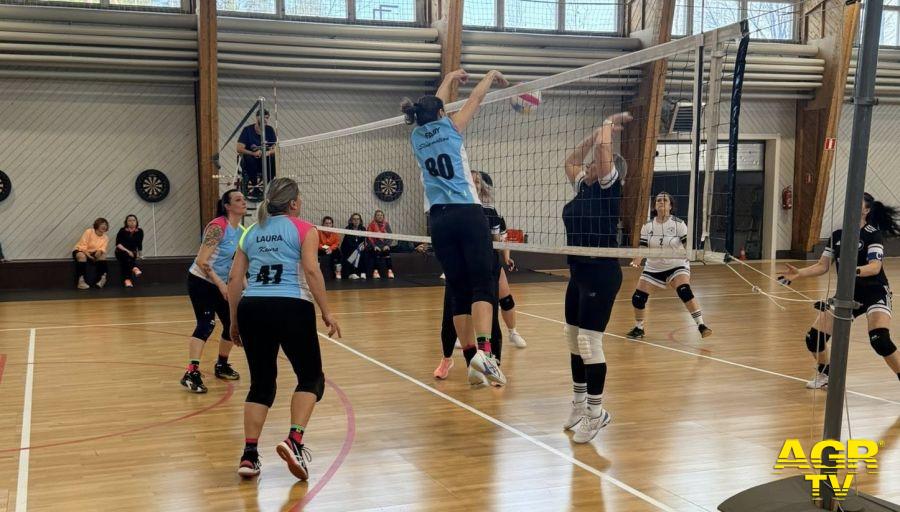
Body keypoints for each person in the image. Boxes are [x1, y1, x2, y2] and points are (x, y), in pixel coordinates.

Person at [228, 177, 341, 481]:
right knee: (311, 378)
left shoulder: (250, 232)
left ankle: (249, 455)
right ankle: (294, 440)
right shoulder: (305, 229)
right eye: (299, 198)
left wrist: (235, 321)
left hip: (253, 308)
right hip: (291, 305)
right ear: (293, 203)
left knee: (261, 384)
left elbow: (235, 280)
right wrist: (326, 312)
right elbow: (312, 270)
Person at [402, 67, 509, 386]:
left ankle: (471, 360)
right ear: (440, 114)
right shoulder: (451, 128)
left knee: (458, 289)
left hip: (438, 220)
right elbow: (476, 98)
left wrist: (449, 78)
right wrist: (490, 75)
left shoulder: (416, 137)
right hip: (466, 213)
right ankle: (486, 354)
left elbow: (433, 105)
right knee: (482, 285)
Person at [560, 111, 632, 443]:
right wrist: (593, 134)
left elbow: (604, 150)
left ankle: (596, 411)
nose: (588, 165)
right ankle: (578, 403)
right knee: (573, 338)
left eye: (596, 164)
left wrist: (607, 124)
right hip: (578, 273)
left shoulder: (608, 188)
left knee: (589, 342)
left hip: (601, 274)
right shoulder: (584, 188)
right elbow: (571, 160)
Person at [779, 192, 900, 389]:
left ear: (866, 210)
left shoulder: (872, 234)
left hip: (875, 292)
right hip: (847, 293)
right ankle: (826, 374)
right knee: (814, 338)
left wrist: (852, 271)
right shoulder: (837, 235)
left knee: (880, 340)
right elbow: (822, 265)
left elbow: (874, 267)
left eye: (857, 203)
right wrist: (799, 273)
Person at [181, 189, 248, 393]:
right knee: (206, 324)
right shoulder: (218, 227)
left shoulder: (242, 232)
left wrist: (247, 289)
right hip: (201, 280)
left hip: (222, 282)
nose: (243, 202)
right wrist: (221, 285)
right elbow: (201, 261)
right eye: (238, 199)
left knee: (232, 324)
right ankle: (191, 373)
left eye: (244, 199)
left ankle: (222, 365)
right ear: (227, 206)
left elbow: (238, 265)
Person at [625, 192, 712, 340]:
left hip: (676, 265)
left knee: (684, 291)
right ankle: (639, 328)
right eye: (658, 200)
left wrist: (691, 253)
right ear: (654, 206)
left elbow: (687, 244)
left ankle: (701, 325)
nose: (661, 202)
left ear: (670, 206)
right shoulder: (647, 225)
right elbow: (643, 246)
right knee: (637, 298)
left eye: (665, 200)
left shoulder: (679, 224)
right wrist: (638, 258)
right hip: (654, 267)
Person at [237, 109, 277, 201]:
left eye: (267, 118)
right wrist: (253, 153)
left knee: (273, 157)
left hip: (264, 160)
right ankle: (255, 185)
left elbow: (275, 148)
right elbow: (239, 148)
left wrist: (267, 153)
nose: (265, 120)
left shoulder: (270, 130)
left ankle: (268, 186)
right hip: (251, 160)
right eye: (263, 117)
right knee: (248, 157)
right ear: (257, 117)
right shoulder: (247, 130)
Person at [73, 218, 110, 290]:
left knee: (103, 256)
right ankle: (81, 281)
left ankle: (102, 279)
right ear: (97, 225)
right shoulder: (89, 231)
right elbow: (83, 245)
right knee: (82, 256)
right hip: (81, 250)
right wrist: (89, 256)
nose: (104, 226)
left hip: (93, 253)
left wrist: (98, 253)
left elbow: (102, 248)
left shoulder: (106, 237)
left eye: (105, 225)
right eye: (102, 224)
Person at [115, 214, 144, 288]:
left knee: (126, 261)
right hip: (121, 251)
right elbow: (118, 244)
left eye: (133, 220)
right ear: (126, 222)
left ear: (136, 222)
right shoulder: (122, 230)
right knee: (125, 256)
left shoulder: (140, 231)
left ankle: (127, 280)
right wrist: (128, 251)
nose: (132, 222)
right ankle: (134, 268)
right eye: (129, 220)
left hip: (133, 252)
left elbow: (139, 244)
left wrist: (140, 255)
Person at [367, 209, 395, 279]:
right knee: (376, 253)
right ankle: (375, 271)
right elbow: (369, 238)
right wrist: (374, 246)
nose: (380, 216)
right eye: (378, 215)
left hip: (384, 245)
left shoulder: (386, 224)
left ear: (383, 216)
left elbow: (390, 236)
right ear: (375, 217)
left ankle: (390, 271)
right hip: (375, 246)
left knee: (387, 252)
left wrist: (387, 245)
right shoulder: (371, 225)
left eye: (381, 215)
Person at [340, 213, 367, 280]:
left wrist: (363, 246)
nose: (356, 221)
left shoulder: (363, 229)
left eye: (358, 219)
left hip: (358, 247)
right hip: (347, 248)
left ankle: (363, 272)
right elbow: (349, 242)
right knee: (354, 251)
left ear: (360, 220)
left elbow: (363, 240)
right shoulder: (348, 228)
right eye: (354, 219)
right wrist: (358, 248)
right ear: (351, 220)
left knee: (364, 252)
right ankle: (352, 273)